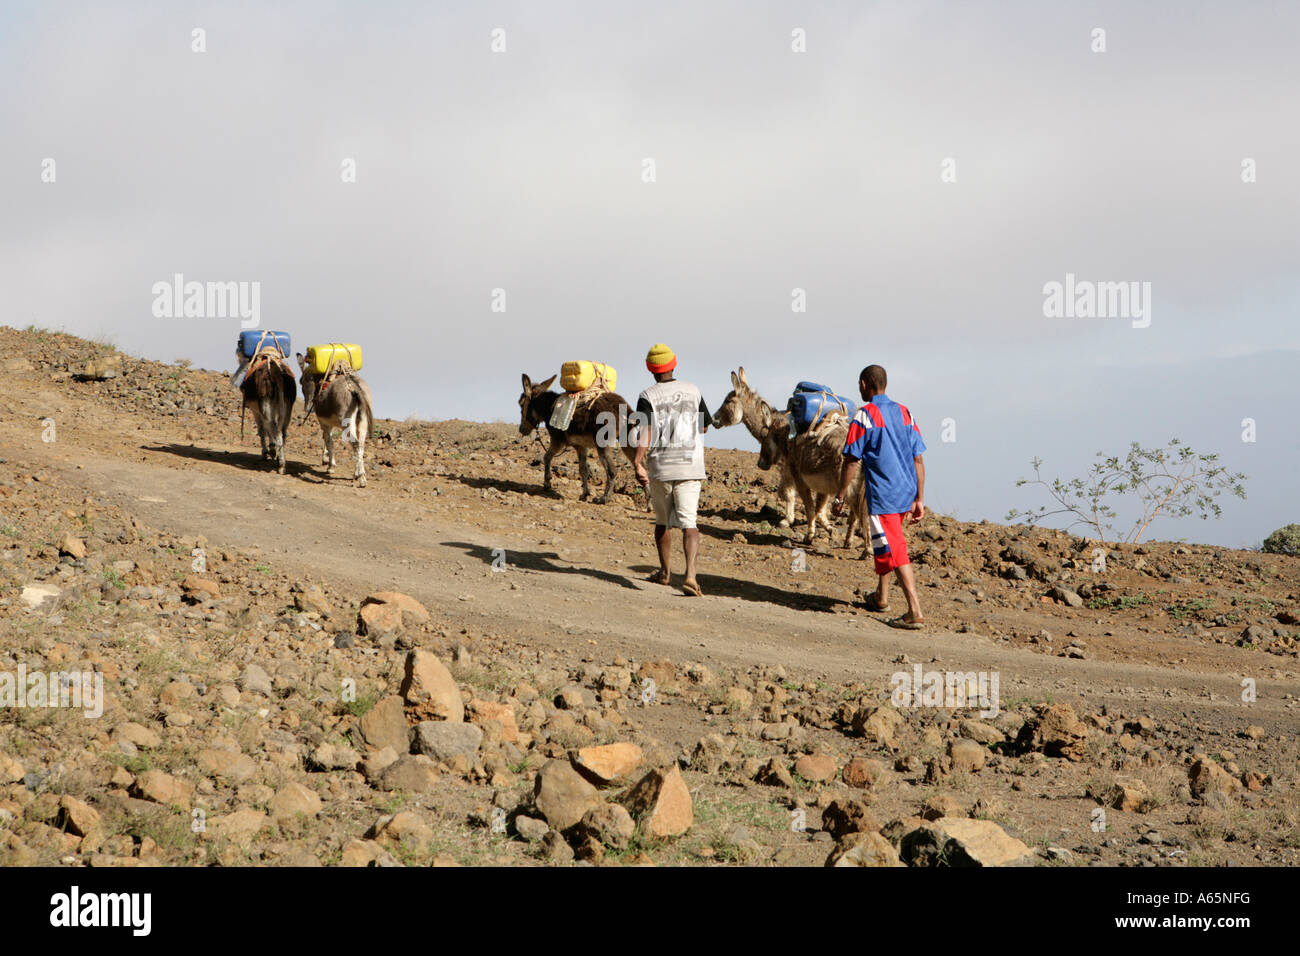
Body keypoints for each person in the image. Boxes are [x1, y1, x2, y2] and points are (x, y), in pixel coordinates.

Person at [832, 364, 927, 629]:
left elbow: (851, 461)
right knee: (885, 541)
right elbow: (918, 458)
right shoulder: (904, 413)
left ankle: (914, 610)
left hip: (884, 494)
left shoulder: (864, 416)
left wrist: (840, 496)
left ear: (864, 384)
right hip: (906, 492)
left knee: (895, 548)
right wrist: (919, 498)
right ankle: (881, 597)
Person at [634, 343, 713, 597]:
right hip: (691, 466)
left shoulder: (647, 396)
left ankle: (665, 573)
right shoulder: (693, 390)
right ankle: (690, 576)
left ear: (651, 369)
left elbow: (645, 431)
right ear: (674, 364)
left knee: (662, 522)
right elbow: (704, 427)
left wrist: (638, 461)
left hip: (661, 467)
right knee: (690, 524)